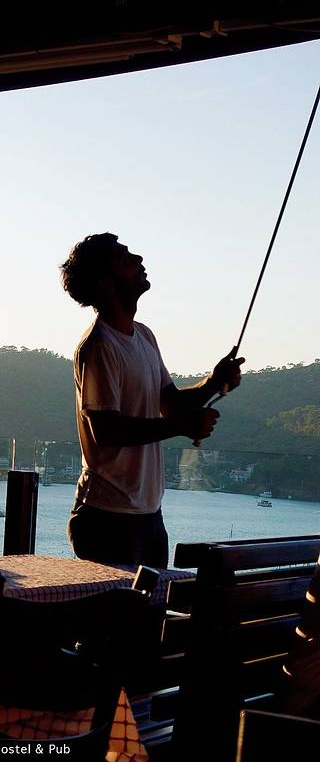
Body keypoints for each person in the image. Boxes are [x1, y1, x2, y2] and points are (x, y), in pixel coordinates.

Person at [60, 232, 244, 569]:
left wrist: (213, 383)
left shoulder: (143, 335)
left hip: (148, 515)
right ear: (106, 284)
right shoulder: (99, 347)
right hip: (106, 517)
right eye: (125, 259)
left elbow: (170, 403)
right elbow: (107, 430)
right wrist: (183, 426)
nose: (139, 260)